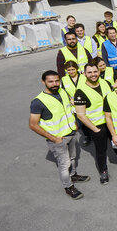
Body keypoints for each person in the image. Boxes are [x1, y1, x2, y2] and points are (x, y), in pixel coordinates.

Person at [29, 70, 89, 199]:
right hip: (57, 139)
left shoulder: (62, 92)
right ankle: (68, 187)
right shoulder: (38, 101)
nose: (55, 84)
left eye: (57, 81)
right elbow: (33, 125)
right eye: (50, 81)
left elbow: (69, 109)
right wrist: (53, 138)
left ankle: (73, 175)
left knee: (73, 158)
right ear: (43, 82)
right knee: (64, 164)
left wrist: (75, 124)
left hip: (71, 133)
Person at [74, 61, 117, 184]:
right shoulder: (80, 92)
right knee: (101, 150)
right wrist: (95, 129)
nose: (93, 74)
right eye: (89, 72)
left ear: (99, 71)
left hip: (111, 122)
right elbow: (80, 115)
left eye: (95, 71)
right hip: (97, 126)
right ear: (84, 74)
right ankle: (103, 171)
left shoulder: (105, 83)